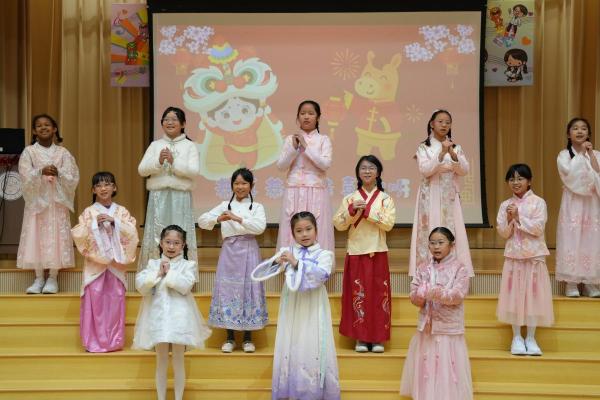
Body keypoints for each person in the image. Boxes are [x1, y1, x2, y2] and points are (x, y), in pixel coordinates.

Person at [258, 211, 340, 400]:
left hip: (313, 305)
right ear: (293, 233)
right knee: (291, 340)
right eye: (299, 231)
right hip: (292, 306)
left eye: (308, 229)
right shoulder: (287, 252)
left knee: (312, 341)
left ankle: (313, 391)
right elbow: (261, 273)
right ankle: (291, 389)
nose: (304, 234)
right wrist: (275, 262)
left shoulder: (325, 255)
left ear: (316, 230)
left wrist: (296, 263)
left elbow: (321, 275)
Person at [132, 225, 211, 400]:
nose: (171, 246)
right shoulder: (153, 264)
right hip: (158, 318)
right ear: (161, 243)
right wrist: (157, 274)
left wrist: (169, 273)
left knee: (178, 360)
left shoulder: (188, 265)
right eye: (168, 242)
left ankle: (178, 398)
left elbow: (185, 286)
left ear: (183, 245)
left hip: (179, 319)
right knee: (161, 360)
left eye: (176, 243)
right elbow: (141, 286)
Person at [197, 168, 268, 353]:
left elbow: (260, 227)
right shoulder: (224, 205)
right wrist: (217, 218)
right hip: (229, 250)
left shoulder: (257, 206)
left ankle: (247, 339)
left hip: (249, 249)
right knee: (227, 291)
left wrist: (237, 218)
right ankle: (229, 338)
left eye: (244, 183)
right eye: (236, 183)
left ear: (251, 185)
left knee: (248, 291)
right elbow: (202, 220)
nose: (240, 187)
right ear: (232, 185)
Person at [400, 227, 473, 400]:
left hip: (448, 329)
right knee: (427, 369)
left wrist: (433, 292)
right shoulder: (423, 268)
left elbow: (458, 295)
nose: (436, 246)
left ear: (451, 245)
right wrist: (419, 295)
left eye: (441, 242)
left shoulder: (460, 268)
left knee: (448, 370)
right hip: (427, 328)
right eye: (432, 243)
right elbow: (414, 295)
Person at [334, 155, 395, 353]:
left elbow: (388, 224)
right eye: (363, 168)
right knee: (358, 296)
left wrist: (367, 211)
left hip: (378, 251)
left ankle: (378, 338)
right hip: (356, 252)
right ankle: (360, 337)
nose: (367, 171)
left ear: (378, 172)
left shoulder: (386, 199)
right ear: (358, 173)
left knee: (378, 297)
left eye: (371, 168)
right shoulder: (349, 199)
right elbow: (339, 224)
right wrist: (351, 210)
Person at [72, 171, 139, 352]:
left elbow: (132, 232)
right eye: (99, 185)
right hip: (96, 266)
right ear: (93, 190)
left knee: (115, 303)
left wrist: (115, 222)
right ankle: (93, 342)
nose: (103, 188)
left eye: (107, 184)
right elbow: (79, 233)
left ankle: (114, 341)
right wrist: (94, 224)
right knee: (95, 302)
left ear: (114, 188)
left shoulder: (122, 212)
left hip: (116, 266)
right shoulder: (89, 212)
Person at [17, 114, 80, 294]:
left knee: (56, 236)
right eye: (39, 125)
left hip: (56, 203)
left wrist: (58, 173)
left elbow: (73, 176)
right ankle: (38, 278)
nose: (43, 127)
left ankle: (53, 277)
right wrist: (40, 172)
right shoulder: (29, 152)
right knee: (36, 236)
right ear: (34, 131)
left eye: (47, 125)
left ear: (54, 129)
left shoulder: (63, 153)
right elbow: (24, 175)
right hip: (37, 203)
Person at [496, 164, 554, 355]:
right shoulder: (505, 205)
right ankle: (516, 337)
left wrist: (519, 217)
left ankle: (530, 337)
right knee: (514, 296)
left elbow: (538, 228)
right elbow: (503, 233)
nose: (515, 182)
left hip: (534, 257)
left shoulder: (539, 202)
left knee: (533, 296)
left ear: (529, 181)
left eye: (520, 178)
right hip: (514, 257)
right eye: (512, 179)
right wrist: (509, 219)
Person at [409, 109, 473, 278]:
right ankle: (425, 273)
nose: (444, 125)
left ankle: (454, 272)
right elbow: (425, 170)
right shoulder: (424, 147)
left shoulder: (456, 147)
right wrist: (441, 154)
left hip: (449, 196)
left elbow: (464, 170)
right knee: (429, 227)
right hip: (429, 194)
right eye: (440, 121)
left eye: (448, 122)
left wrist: (453, 155)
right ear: (432, 124)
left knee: (452, 229)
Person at [138, 106, 200, 268]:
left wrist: (174, 162)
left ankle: (182, 271)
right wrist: (158, 162)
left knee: (180, 232)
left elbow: (194, 171)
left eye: (174, 119)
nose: (169, 122)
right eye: (166, 119)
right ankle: (154, 271)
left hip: (180, 196)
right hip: (158, 195)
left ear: (183, 124)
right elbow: (142, 170)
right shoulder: (155, 145)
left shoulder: (190, 146)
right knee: (157, 233)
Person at [276, 100, 334, 253]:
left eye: (311, 113)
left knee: (316, 226)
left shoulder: (323, 140)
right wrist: (293, 148)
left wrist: (306, 147)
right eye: (302, 113)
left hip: (316, 191)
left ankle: (318, 263)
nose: (306, 117)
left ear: (318, 117)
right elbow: (281, 166)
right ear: (298, 117)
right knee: (291, 225)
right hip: (294, 191)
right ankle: (289, 261)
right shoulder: (290, 139)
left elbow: (325, 164)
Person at [556, 117, 600, 297]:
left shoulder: (596, 154)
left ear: (589, 133)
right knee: (571, 237)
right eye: (575, 128)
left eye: (584, 128)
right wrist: (580, 155)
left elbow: (598, 174)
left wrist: (589, 155)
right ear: (569, 134)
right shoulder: (564, 155)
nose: (580, 131)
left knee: (591, 238)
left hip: (591, 203)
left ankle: (590, 282)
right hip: (572, 202)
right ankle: (571, 283)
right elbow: (568, 175)